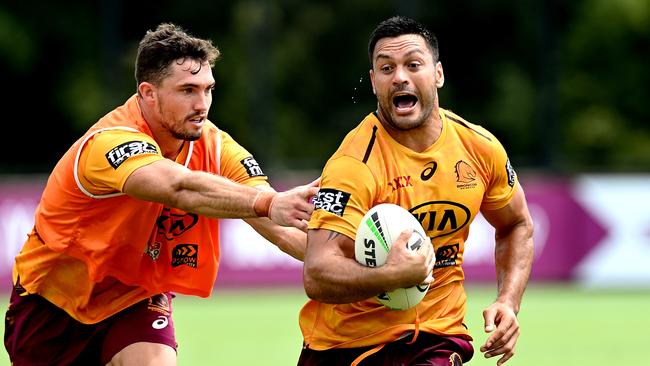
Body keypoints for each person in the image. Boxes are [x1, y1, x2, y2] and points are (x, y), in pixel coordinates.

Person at [4, 23, 318, 365]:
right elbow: (176, 186)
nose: (202, 105)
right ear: (148, 93)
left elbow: (281, 225)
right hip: (52, 306)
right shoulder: (111, 141)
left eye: (208, 89)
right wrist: (269, 203)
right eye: (187, 91)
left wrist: (358, 269)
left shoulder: (216, 146)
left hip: (136, 296)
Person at [300, 16, 534, 366]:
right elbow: (317, 272)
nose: (400, 77)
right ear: (374, 82)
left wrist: (508, 301)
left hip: (438, 337)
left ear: (437, 74)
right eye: (386, 68)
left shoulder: (480, 148)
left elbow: (516, 225)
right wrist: (392, 276)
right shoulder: (353, 163)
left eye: (413, 64)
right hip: (347, 344)